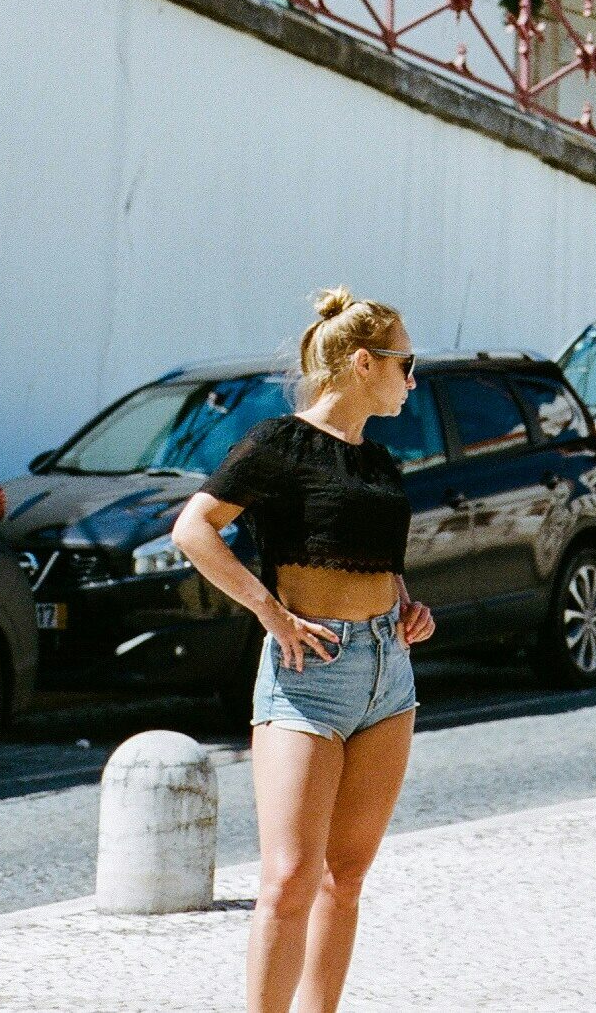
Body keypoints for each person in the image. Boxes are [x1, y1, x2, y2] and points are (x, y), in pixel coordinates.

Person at [173, 289, 434, 1013]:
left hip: (389, 673)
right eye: (405, 361)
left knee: (344, 876)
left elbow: (376, 558)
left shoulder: (379, 458)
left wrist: (407, 606)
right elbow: (194, 528)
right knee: (288, 877)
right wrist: (269, 611)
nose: (413, 377)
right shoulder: (277, 443)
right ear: (361, 362)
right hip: (305, 675)